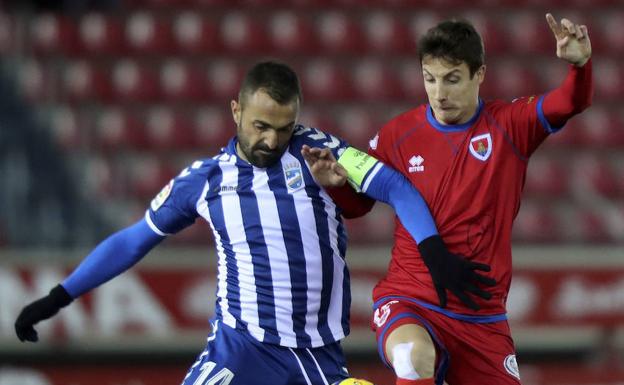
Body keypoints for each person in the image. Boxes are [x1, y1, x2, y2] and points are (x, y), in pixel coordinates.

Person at [14, 61, 480, 385]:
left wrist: (433, 251)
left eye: (283, 127)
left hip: (316, 359)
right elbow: (134, 240)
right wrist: (59, 296)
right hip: (241, 351)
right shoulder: (205, 181)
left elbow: (396, 187)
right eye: (260, 126)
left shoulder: (320, 151)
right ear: (236, 110)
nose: (271, 139)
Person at [305, 13, 593, 385]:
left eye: (453, 79)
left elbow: (567, 102)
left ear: (480, 74)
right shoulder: (398, 134)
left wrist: (580, 66)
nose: (439, 92)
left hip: (481, 314)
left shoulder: (510, 125)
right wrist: (336, 185)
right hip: (411, 299)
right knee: (413, 358)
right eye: (430, 79)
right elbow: (359, 206)